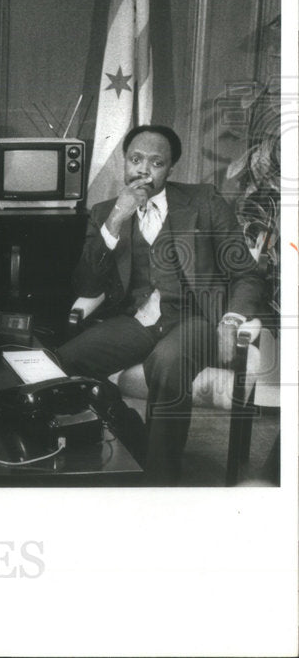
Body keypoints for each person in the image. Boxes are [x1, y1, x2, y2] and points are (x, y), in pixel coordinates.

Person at [56, 125, 263, 483]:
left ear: (170, 169)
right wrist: (117, 219)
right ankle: (130, 431)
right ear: (124, 162)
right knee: (65, 362)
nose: (143, 170)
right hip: (137, 320)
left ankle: (161, 478)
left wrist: (230, 320)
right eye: (135, 160)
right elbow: (86, 284)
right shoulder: (105, 211)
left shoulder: (204, 202)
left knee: (165, 364)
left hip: (195, 318)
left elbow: (247, 274)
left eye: (156, 163)